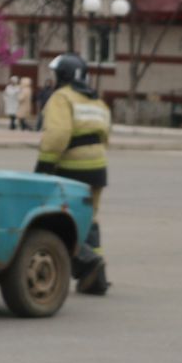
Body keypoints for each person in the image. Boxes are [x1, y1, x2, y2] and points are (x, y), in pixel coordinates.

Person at [34, 52, 111, 295]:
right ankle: (97, 279)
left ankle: (88, 263)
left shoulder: (62, 98)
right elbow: (106, 134)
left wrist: (44, 167)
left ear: (63, 75)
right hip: (98, 169)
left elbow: (57, 135)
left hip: (71, 169)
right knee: (90, 219)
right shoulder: (96, 101)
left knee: (64, 219)